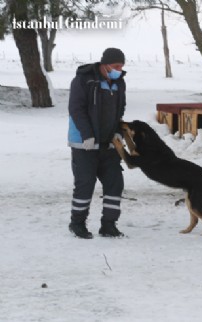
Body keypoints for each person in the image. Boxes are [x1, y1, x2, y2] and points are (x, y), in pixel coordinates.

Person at [67, 48, 127, 239]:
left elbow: (120, 109)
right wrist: (87, 135)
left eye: (122, 66)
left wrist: (118, 132)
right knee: (85, 184)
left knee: (115, 182)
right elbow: (76, 109)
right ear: (105, 64)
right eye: (116, 66)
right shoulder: (83, 80)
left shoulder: (119, 82)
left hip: (107, 143)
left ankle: (108, 225)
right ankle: (77, 223)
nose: (119, 69)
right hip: (84, 143)